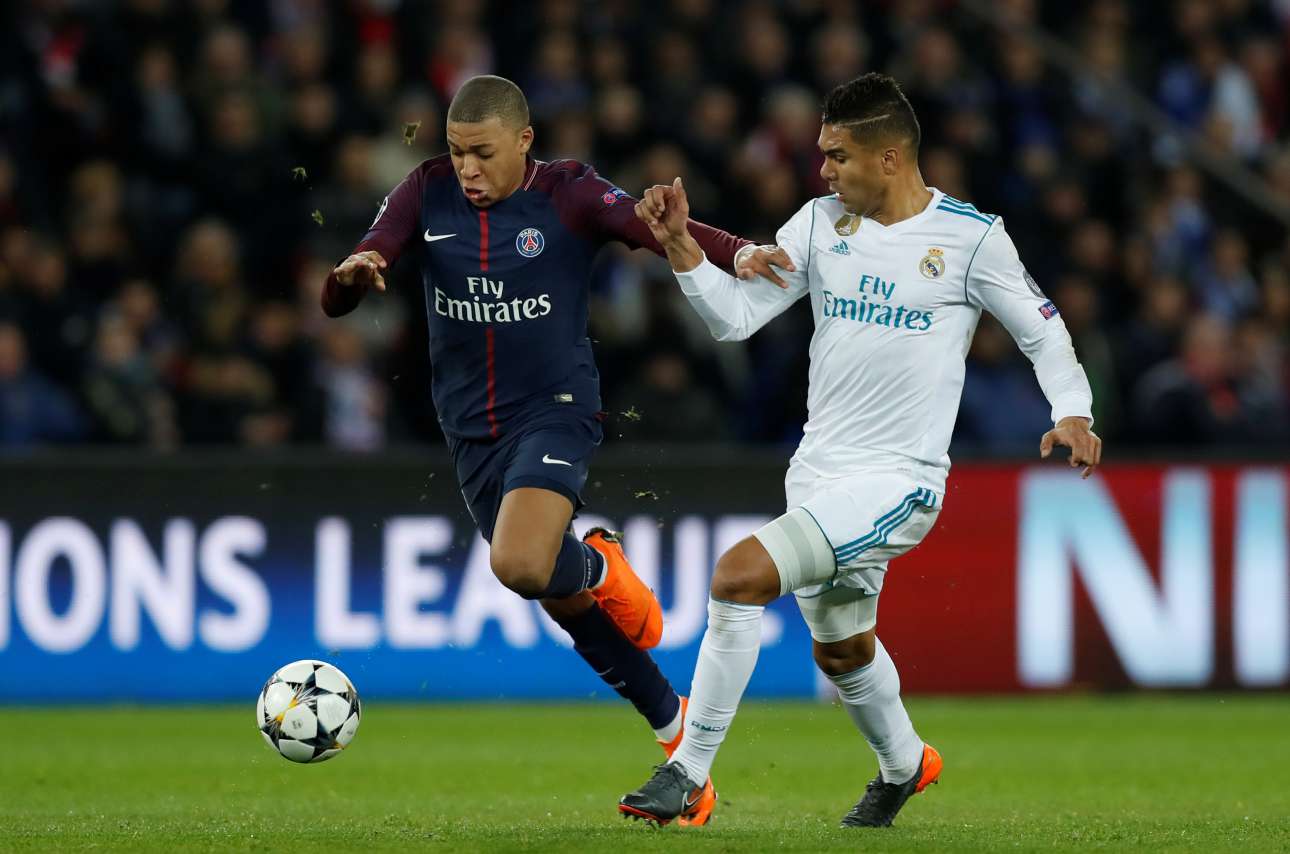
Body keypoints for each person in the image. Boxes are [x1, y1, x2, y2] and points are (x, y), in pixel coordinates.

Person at [619, 73, 1102, 828]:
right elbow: (735, 319)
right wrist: (681, 246)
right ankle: (906, 764)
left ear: (889, 158)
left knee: (738, 576)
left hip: (899, 482)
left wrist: (1073, 411)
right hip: (817, 472)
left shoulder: (972, 238)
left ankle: (688, 771)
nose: (823, 171)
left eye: (837, 156)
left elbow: (1041, 329)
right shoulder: (819, 224)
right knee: (842, 650)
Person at [322, 75, 785, 827]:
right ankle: (676, 737)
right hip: (468, 429)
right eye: (456, 151)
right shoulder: (424, 190)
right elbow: (356, 273)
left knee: (522, 565)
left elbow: (651, 227)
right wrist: (351, 276)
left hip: (555, 411)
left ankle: (599, 563)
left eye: (482, 152)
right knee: (558, 597)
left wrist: (738, 253)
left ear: (524, 141)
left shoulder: (568, 192)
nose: (467, 168)